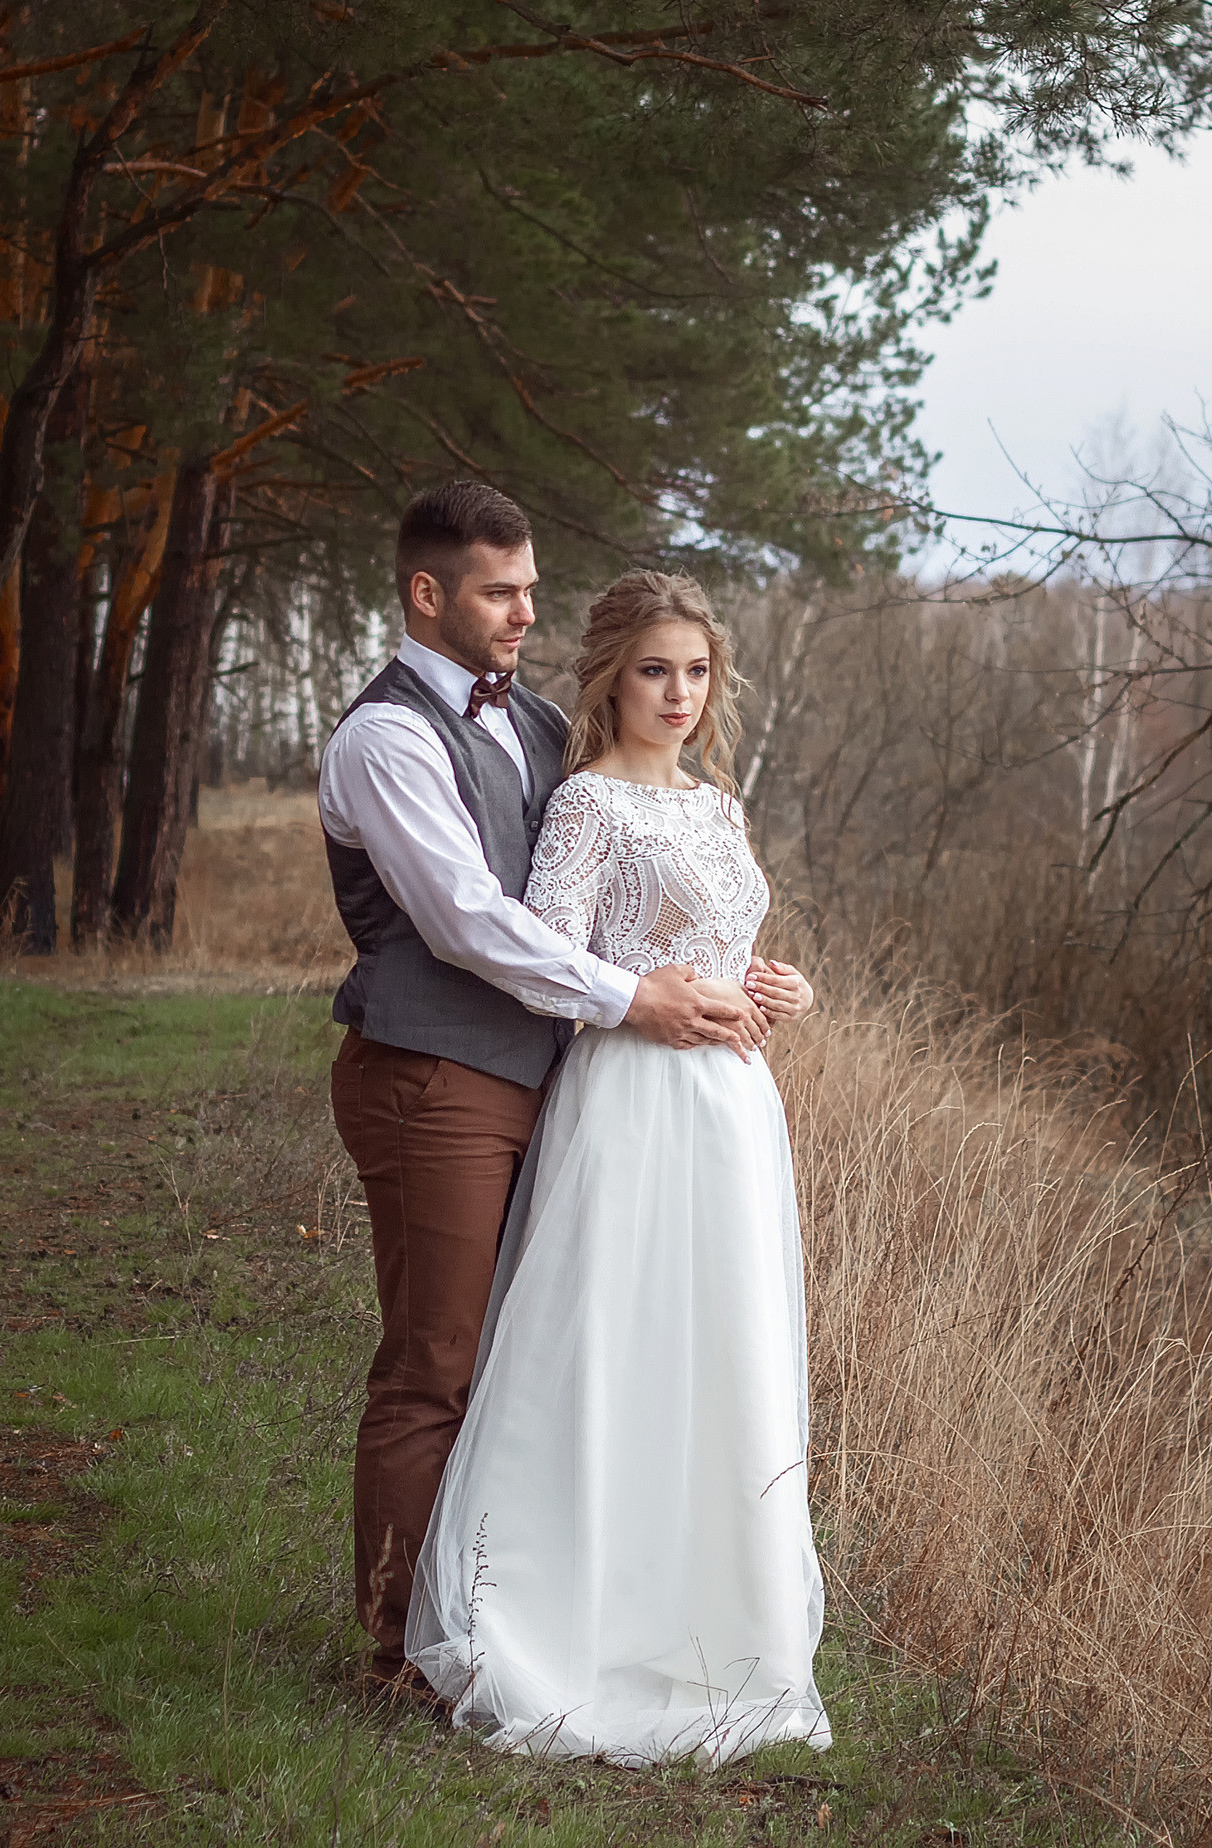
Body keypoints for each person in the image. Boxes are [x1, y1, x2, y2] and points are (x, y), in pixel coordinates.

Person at [318, 484, 767, 1691]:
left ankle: (507, 1606)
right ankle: (399, 1645)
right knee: (437, 1361)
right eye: (499, 591)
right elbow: (469, 923)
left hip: (550, 1085)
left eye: (530, 588)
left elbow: (610, 894)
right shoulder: (386, 739)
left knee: (533, 1354)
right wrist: (634, 1002)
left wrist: (720, 976)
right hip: (435, 1077)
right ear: (427, 594)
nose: (527, 612)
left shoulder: (525, 727)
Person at [406, 569, 828, 1767]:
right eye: (655, 669)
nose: (679, 693)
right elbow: (549, 956)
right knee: (616, 1341)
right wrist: (648, 1004)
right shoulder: (587, 804)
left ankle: (714, 1617)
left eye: (696, 671)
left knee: (724, 1346)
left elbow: (718, 948)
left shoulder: (719, 806)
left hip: (734, 1112)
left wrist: (773, 985)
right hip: (634, 1100)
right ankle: (568, 1620)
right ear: (610, 676)